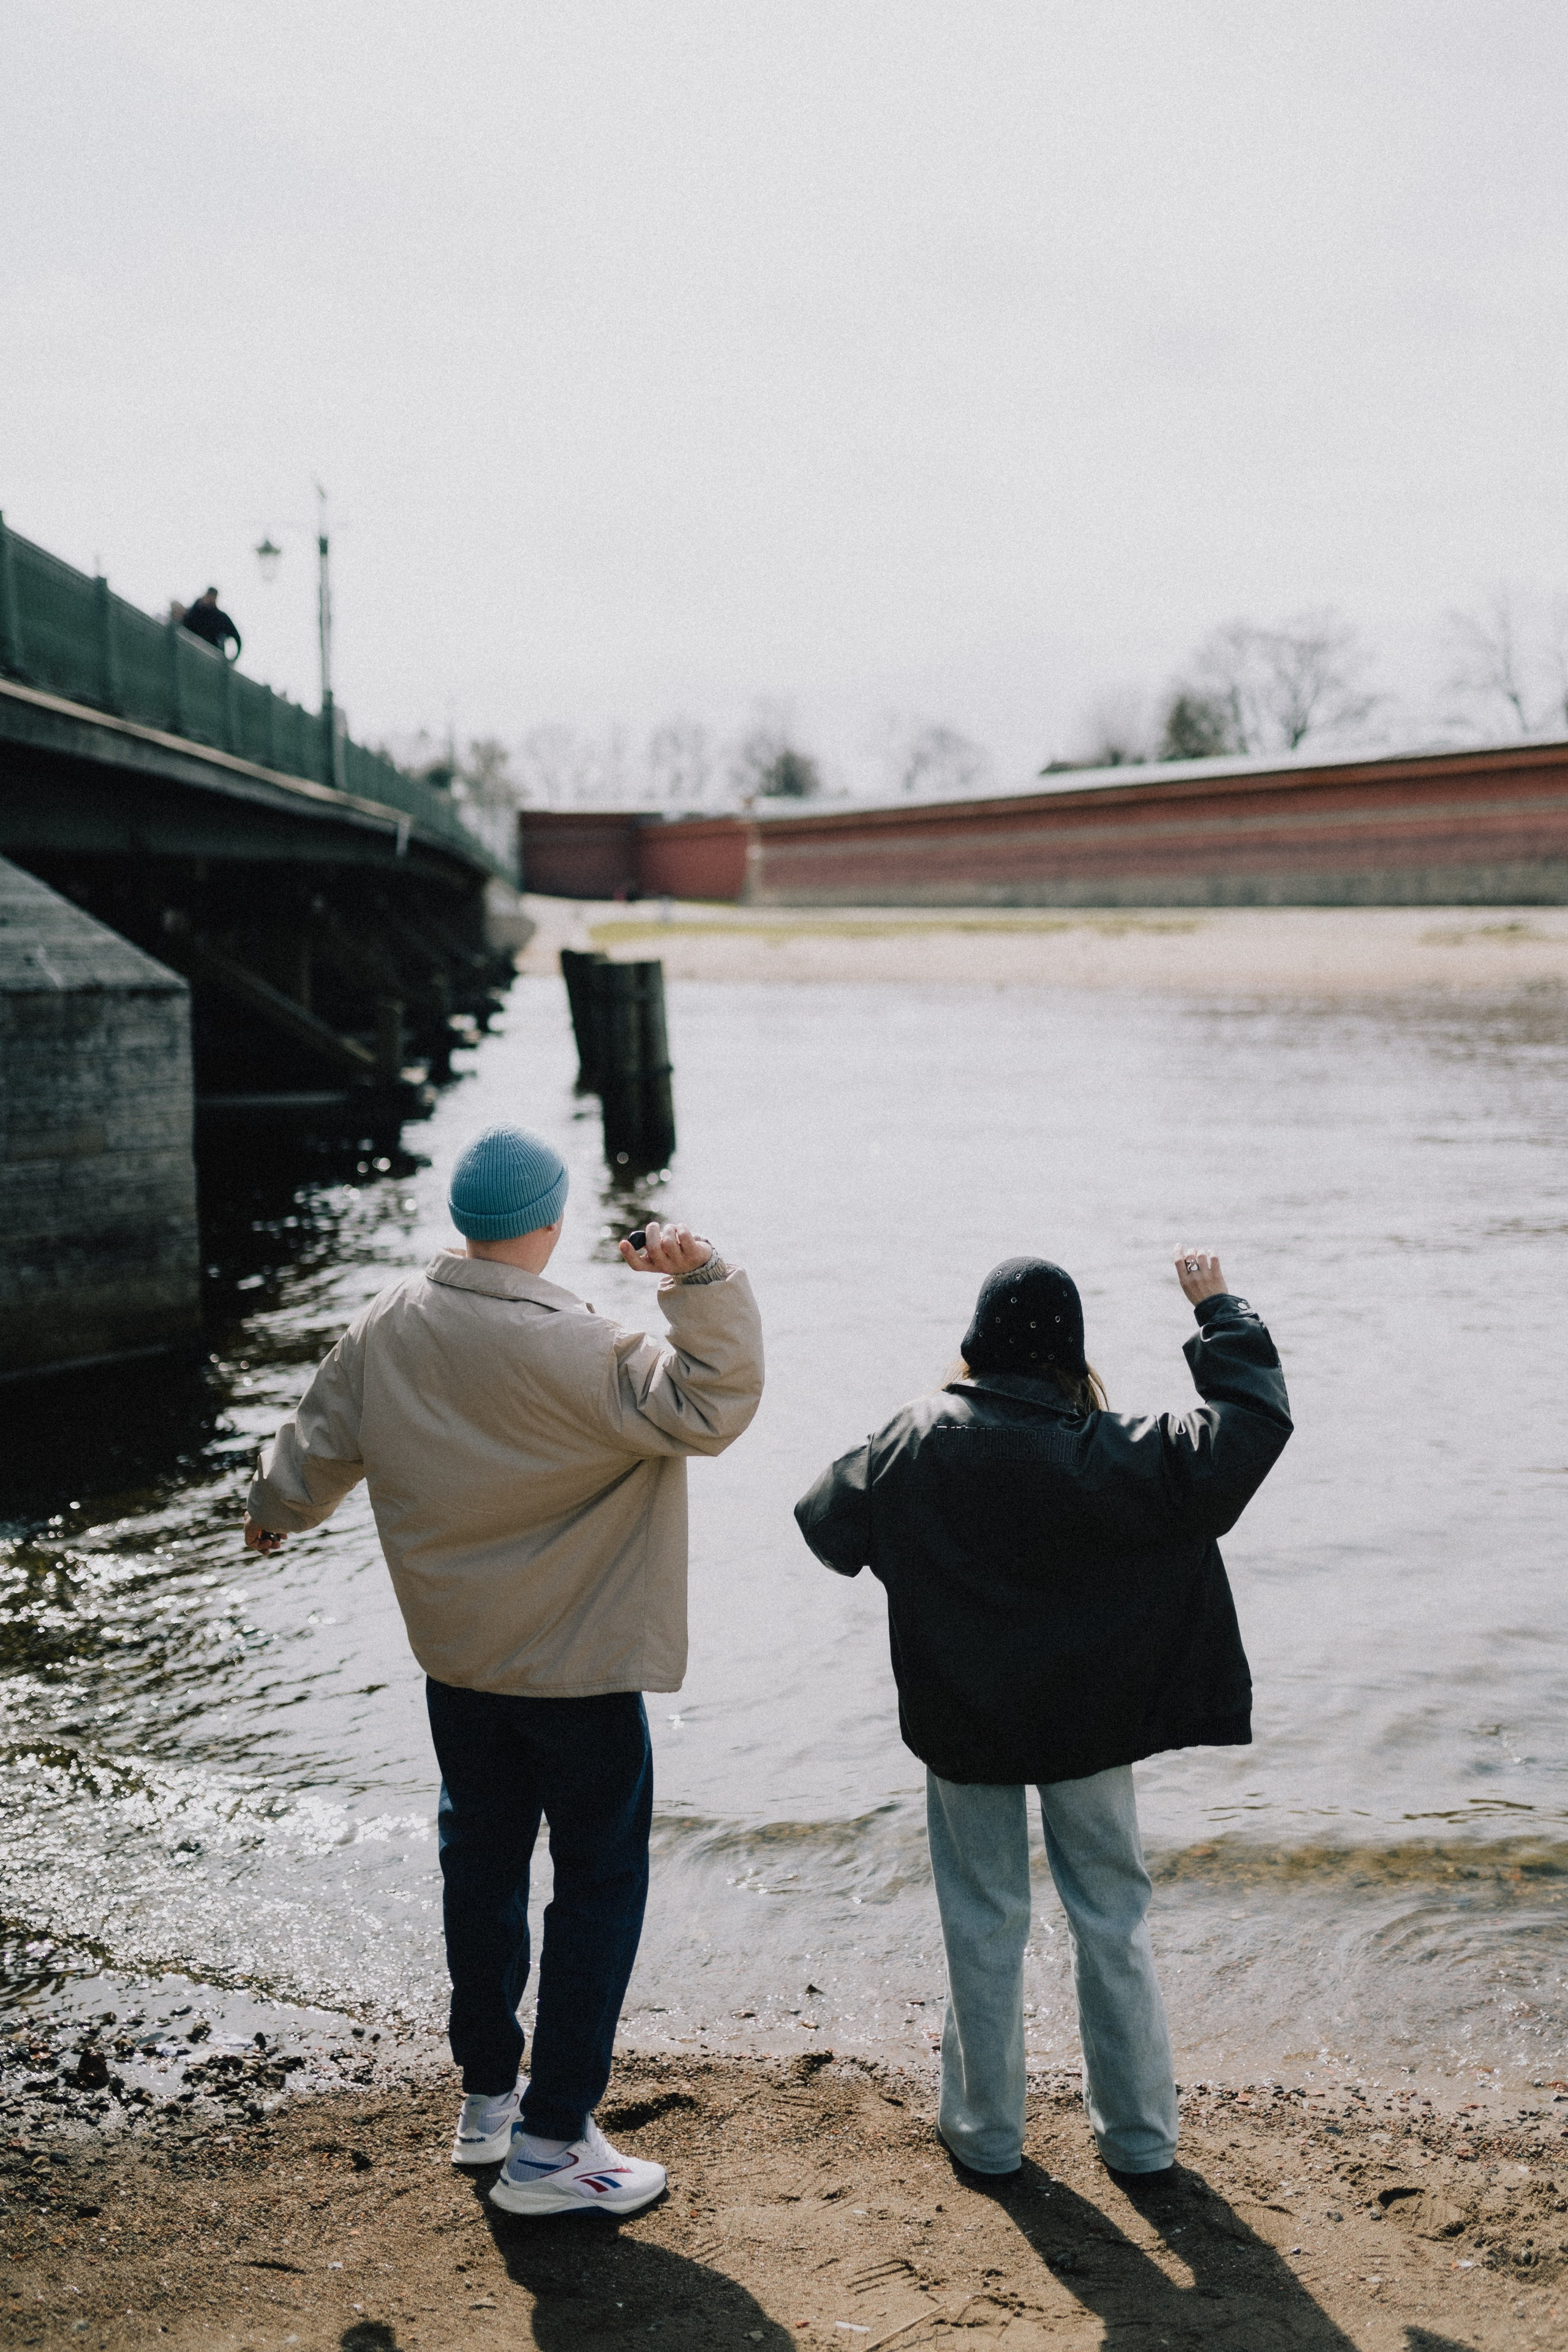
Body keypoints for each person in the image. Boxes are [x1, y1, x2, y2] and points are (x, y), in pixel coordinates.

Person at [243, 1123, 764, 2216]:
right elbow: (712, 1405)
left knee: (480, 1869)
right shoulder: (583, 1350)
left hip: (463, 1669)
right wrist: (701, 1279)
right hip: (578, 1675)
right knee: (597, 1889)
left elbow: (322, 1430)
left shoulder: (391, 1323)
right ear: (553, 1222)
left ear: (463, 1222)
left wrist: (274, 1509)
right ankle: (553, 2140)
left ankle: (489, 2099)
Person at [794, 1247, 1290, 2187]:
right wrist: (1218, 1310)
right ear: (1072, 1351)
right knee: (1112, 1916)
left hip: (963, 1724)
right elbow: (1253, 1425)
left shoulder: (914, 1437)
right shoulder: (1123, 1451)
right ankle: (1140, 2141)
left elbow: (824, 1523)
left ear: (977, 1344)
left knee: (983, 1921)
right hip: (1091, 1728)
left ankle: (985, 2136)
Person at [181, 586, 241, 658]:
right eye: (209, 596)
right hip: (189, 651)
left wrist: (233, 660)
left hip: (210, 657)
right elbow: (183, 625)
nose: (211, 599)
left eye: (213, 597)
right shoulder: (194, 612)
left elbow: (236, 637)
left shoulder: (221, 618)